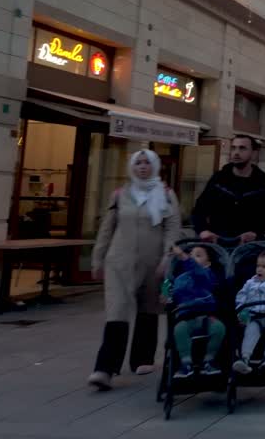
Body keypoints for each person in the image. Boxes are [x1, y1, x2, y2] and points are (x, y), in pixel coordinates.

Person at [88, 149, 181, 390]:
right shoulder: (121, 195)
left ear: (155, 166)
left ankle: (143, 358)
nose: (142, 167)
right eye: (138, 163)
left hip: (153, 264)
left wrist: (168, 257)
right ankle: (105, 369)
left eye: (146, 163)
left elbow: (172, 228)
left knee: (148, 309)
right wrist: (97, 258)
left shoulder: (167, 195)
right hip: (119, 263)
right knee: (117, 313)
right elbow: (107, 229)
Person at [192, 134, 265, 242]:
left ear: (253, 153)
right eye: (233, 148)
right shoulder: (219, 178)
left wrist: (256, 232)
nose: (236, 152)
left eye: (242, 148)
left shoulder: (263, 181)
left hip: (247, 246)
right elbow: (200, 208)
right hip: (218, 242)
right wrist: (202, 230)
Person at [166, 245, 224, 379]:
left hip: (205, 315)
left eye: (198, 255)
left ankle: (209, 360)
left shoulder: (206, 275)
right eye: (191, 255)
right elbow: (173, 295)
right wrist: (167, 296)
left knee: (219, 328)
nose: (192, 258)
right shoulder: (180, 279)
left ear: (208, 263)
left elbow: (196, 270)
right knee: (179, 330)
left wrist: (183, 256)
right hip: (186, 316)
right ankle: (186, 362)